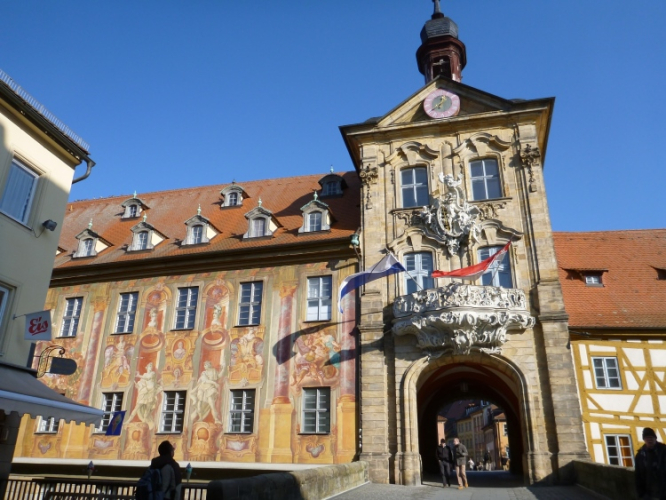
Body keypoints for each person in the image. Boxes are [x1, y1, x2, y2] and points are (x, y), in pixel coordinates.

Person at [635, 427, 666, 500]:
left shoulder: (663, 451)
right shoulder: (640, 455)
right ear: (644, 440)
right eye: (647, 438)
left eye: (651, 437)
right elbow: (638, 475)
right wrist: (641, 493)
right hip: (648, 493)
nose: (650, 440)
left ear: (655, 439)